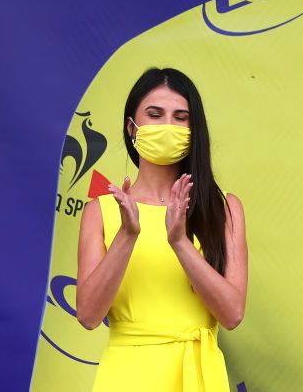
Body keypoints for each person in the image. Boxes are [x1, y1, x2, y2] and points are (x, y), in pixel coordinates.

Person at [76, 67, 248, 391]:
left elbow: (232, 313)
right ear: (132, 127)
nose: (168, 126)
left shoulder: (223, 209)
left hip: (199, 379)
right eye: (155, 115)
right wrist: (127, 235)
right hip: (127, 378)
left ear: (193, 128)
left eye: (180, 117)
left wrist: (180, 242)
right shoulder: (101, 212)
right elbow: (87, 314)